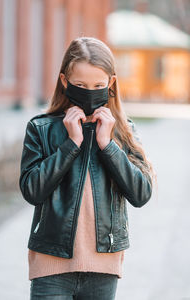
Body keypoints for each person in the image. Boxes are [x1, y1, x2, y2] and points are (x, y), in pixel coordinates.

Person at [19, 37, 154, 300]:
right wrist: (71, 144)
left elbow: (141, 193)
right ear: (64, 81)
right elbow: (32, 190)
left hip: (103, 268)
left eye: (98, 85)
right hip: (51, 265)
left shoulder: (123, 131)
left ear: (111, 84)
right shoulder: (41, 128)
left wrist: (107, 145)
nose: (89, 91)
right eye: (80, 85)